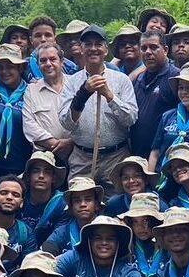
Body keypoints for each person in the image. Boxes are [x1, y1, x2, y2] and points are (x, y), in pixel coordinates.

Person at [58, 25, 138, 194]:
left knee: (116, 205)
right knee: (80, 204)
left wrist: (109, 95)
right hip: (82, 158)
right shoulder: (72, 82)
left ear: (105, 49)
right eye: (88, 44)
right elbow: (66, 123)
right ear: (81, 49)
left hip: (116, 157)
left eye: (98, 44)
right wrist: (83, 94)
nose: (93, 49)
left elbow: (131, 118)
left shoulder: (121, 80)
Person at [0, 44, 34, 191]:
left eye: (10, 67)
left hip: (18, 166)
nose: (5, 72)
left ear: (20, 68)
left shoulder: (32, 92)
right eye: (0, 67)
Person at [22, 43, 75, 164]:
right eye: (43, 60)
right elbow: (29, 125)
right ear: (38, 65)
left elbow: (88, 118)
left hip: (77, 155)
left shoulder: (76, 83)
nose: (48, 64)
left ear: (61, 62)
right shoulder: (31, 90)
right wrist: (56, 145)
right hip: (44, 157)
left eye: (52, 59)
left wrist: (71, 142)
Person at [129, 30, 179, 158]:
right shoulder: (138, 79)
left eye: (154, 47)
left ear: (166, 50)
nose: (148, 52)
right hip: (137, 154)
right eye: (144, 48)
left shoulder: (175, 77)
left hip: (165, 156)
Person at [150, 62, 189, 168]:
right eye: (181, 88)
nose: (184, 92)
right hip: (164, 178)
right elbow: (155, 151)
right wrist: (152, 177)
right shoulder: (168, 116)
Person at [41, 176, 104, 254]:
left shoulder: (108, 228)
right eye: (77, 201)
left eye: (88, 199)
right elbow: (45, 253)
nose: (83, 204)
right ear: (70, 208)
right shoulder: (62, 232)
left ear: (97, 205)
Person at [21, 151, 69, 243]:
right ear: (28, 176)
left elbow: (59, 237)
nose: (41, 176)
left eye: (47, 172)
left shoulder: (62, 204)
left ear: (53, 178)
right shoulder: (19, 197)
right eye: (36, 171)